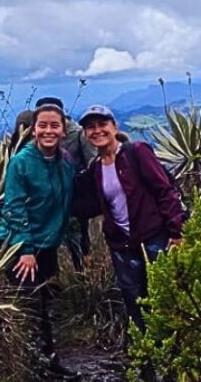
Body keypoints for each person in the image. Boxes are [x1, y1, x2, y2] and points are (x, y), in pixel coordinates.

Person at [76, 105, 185, 332]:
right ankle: (146, 355)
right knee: (135, 302)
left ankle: (174, 354)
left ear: (114, 127)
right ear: (85, 134)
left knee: (167, 298)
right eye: (90, 127)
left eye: (102, 124)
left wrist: (176, 232)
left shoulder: (137, 152)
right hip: (122, 245)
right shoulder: (95, 168)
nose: (97, 131)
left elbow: (165, 191)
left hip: (154, 237)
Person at [0, 100, 76, 375]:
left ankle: (49, 362)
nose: (48, 131)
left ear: (64, 130)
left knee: (43, 305)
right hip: (22, 247)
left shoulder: (64, 163)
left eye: (54, 126)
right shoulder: (21, 162)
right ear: (33, 130)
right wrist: (26, 249)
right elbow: (14, 207)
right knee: (30, 308)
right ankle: (30, 374)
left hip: (46, 246)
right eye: (42, 125)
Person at [36, 96, 98, 270]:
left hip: (74, 200)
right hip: (46, 202)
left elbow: (93, 163)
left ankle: (84, 279)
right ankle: (54, 282)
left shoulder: (78, 134)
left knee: (78, 242)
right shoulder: (36, 135)